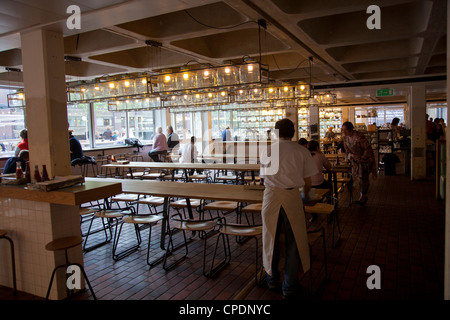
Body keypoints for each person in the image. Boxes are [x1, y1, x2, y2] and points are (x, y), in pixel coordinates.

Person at [259, 118, 318, 299]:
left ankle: (271, 279)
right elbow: (308, 182)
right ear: (293, 133)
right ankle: (290, 286)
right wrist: (305, 196)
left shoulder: (267, 150)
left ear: (276, 133)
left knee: (270, 238)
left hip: (270, 196)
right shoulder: (301, 151)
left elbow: (262, 179)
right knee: (294, 241)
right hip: (292, 196)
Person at [342, 121, 376, 205]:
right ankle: (362, 196)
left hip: (364, 160)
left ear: (350, 129)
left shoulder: (359, 136)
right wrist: (350, 157)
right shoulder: (346, 138)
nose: (344, 132)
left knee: (363, 177)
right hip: (355, 160)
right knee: (359, 177)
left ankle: (363, 196)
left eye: (345, 130)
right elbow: (347, 150)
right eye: (343, 130)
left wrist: (362, 158)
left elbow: (367, 148)